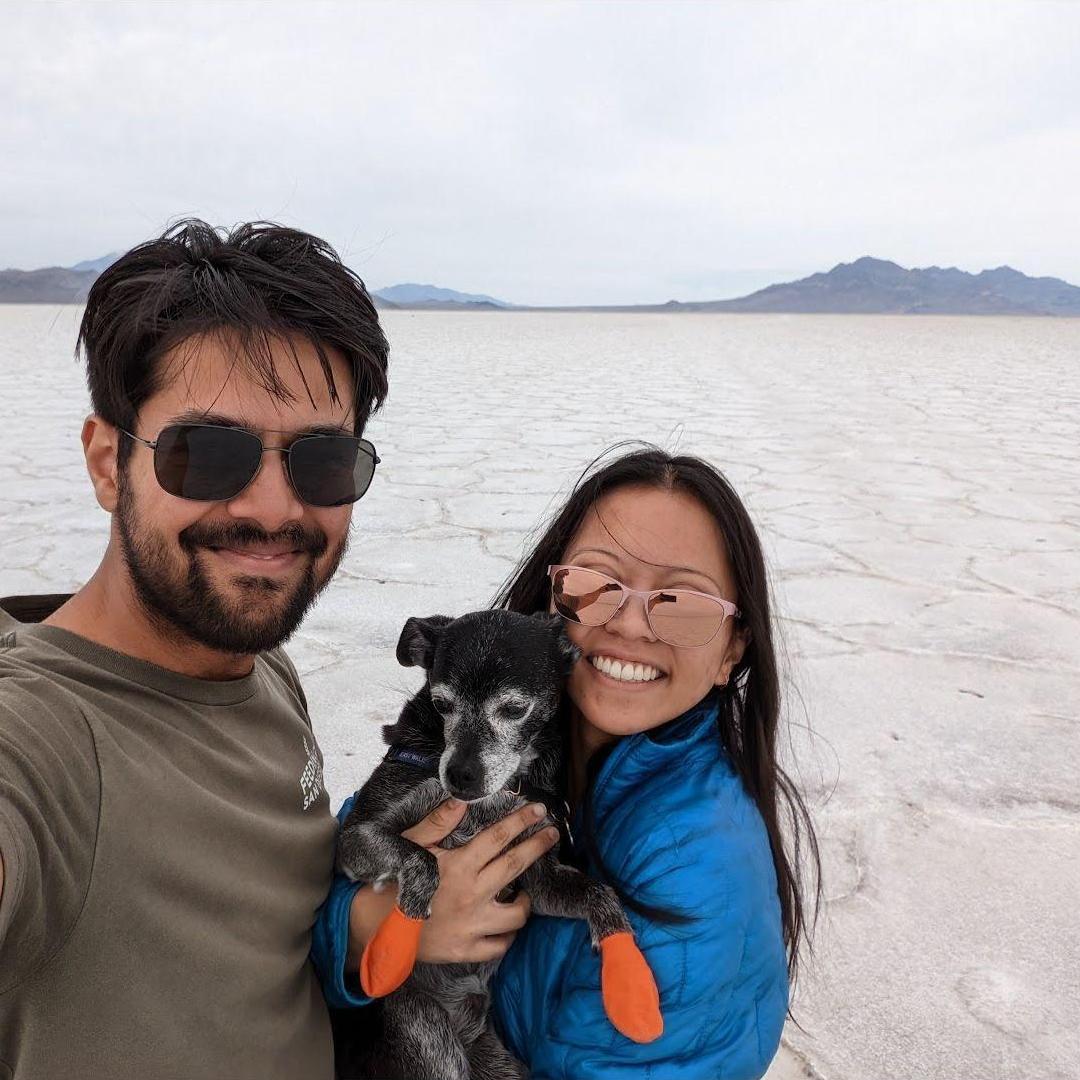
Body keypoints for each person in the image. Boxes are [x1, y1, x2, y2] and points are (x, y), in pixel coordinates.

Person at [0, 219, 555, 1079]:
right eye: (207, 453)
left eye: (321, 460)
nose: (272, 507)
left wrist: (387, 922)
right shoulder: (43, 739)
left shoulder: (264, 669)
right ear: (109, 461)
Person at [486, 448, 820, 1078]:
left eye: (683, 605)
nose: (632, 626)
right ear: (551, 597)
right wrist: (367, 926)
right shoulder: (502, 736)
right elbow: (345, 853)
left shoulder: (695, 868)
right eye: (593, 585)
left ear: (732, 651)